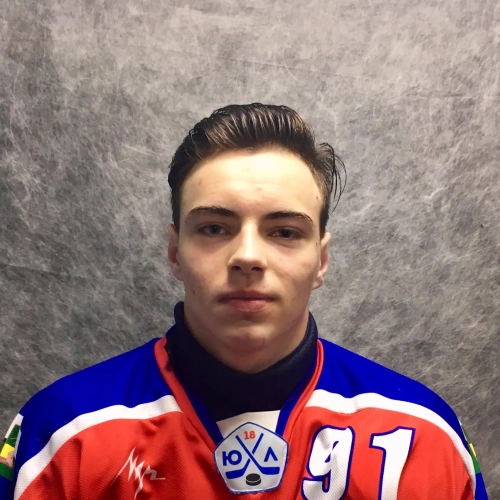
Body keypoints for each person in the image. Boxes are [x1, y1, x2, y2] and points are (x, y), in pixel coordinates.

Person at [0, 103, 488, 499]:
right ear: (175, 252)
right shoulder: (64, 432)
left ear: (321, 260)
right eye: (215, 228)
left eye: (284, 231)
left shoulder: (422, 434)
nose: (248, 256)